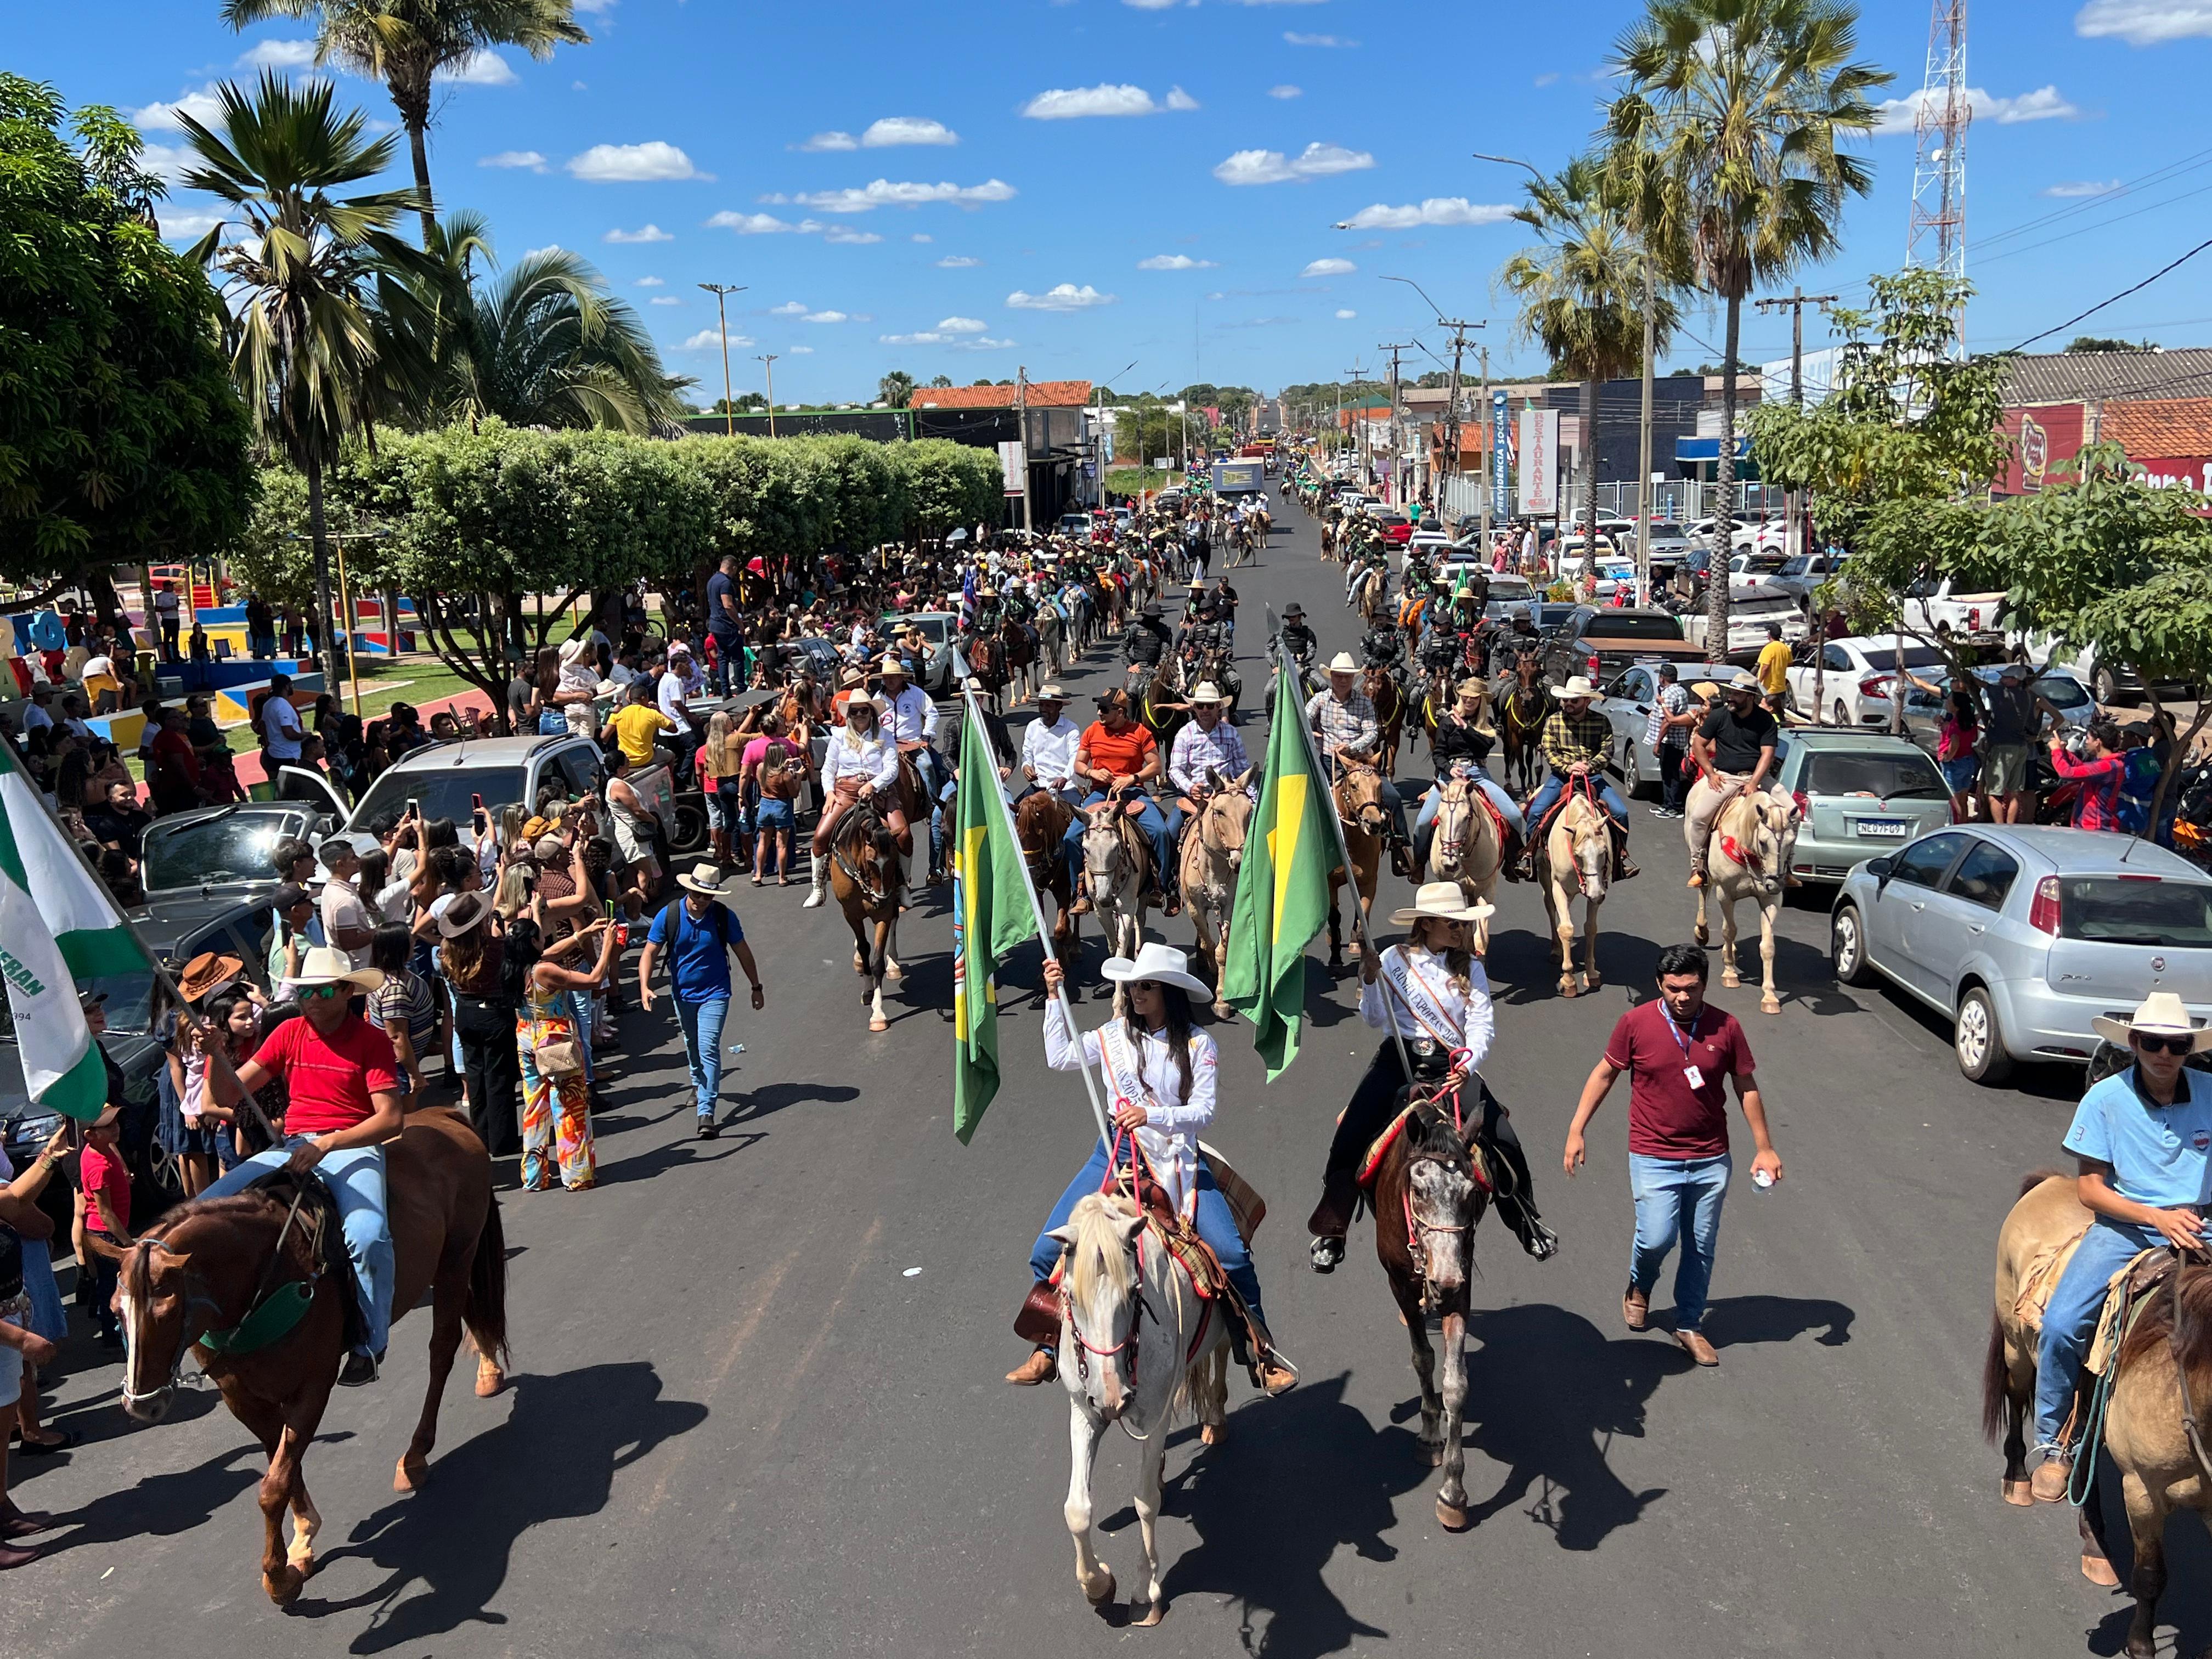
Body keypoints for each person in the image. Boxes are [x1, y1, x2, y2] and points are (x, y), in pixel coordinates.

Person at [1006, 946, 1296, 1396]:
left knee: (1232, 1254)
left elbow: (1204, 1112)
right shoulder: (1114, 1035)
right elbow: (1060, 1057)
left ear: (1169, 992)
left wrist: (1152, 1115)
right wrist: (1052, 997)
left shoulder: (1201, 1045)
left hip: (1177, 1159)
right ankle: (1047, 1348)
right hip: (1115, 1153)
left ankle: (1260, 1352)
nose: (1135, 993)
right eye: (1133, 985)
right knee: (1048, 1249)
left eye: (1146, 985)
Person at [1561, 942, 1785, 1367]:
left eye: (1692, 988)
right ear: (1659, 985)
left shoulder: (1727, 1027)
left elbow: (1746, 1087)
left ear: (1704, 984)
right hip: (1653, 1156)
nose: (1682, 997)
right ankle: (1639, 1285)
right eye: (1672, 989)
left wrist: (1765, 1148)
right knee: (1657, 1238)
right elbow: (1605, 1073)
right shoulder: (1635, 1023)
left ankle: (1688, 1323)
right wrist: (1577, 1129)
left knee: (1701, 1245)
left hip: (1710, 1157)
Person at [2027, 992, 2212, 1500]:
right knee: (2063, 1324)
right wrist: (2156, 1216)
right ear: (2133, 1043)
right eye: (2153, 1043)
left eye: (2175, 1045)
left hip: (2203, 1228)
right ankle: (2052, 1442)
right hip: (2127, 1228)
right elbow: (2089, 1190)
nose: (2164, 1054)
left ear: (2188, 1049)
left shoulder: (2211, 1091)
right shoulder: (2105, 1099)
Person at [1306, 882, 1553, 1263]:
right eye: (1452, 924)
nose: (1460, 931)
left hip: (1453, 1065)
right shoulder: (1391, 959)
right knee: (1350, 1134)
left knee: (1504, 1139)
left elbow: (1482, 1025)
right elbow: (1374, 1018)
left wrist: (1468, 1068)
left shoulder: (1472, 968)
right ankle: (1333, 1229)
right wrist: (1369, 979)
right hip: (1398, 1060)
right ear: (1426, 924)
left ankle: (1526, 1222)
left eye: (1461, 925)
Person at [202, 946, 404, 1386]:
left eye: (324, 991)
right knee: (203, 1209)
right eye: (306, 992)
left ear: (348, 991)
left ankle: (371, 1343)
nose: (313, 1000)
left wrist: (330, 1142)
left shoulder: (371, 1040)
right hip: (292, 1145)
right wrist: (217, 1056)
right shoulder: (289, 1031)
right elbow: (226, 1096)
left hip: (352, 1144)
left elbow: (390, 1120)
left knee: (368, 1237)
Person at [640, 864, 766, 1139]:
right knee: (691, 1041)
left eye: (708, 897)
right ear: (688, 890)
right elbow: (650, 952)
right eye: (697, 895)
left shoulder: (723, 917)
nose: (701, 902)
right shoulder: (670, 915)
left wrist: (756, 987)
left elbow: (744, 952)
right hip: (682, 993)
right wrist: (644, 986)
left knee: (708, 1046)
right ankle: (698, 1083)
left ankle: (706, 1111)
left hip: (716, 993)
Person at [511, 916, 619, 1192]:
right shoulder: (544, 971)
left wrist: (583, 933)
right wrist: (607, 944)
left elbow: (552, 953)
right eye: (540, 937)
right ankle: (576, 1174)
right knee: (568, 1105)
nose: (544, 941)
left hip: (526, 1037)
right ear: (533, 942)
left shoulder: (514, 965)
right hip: (553, 1041)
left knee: (534, 1107)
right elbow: (594, 979)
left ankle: (534, 1176)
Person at [1065, 688, 1178, 917]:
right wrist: (1092, 773)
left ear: (1120, 712)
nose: (1099, 713)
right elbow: (1078, 764)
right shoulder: (1092, 732)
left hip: (1133, 793)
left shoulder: (1140, 733)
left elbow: (1156, 766)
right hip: (1100, 794)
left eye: (1104, 709)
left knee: (1160, 832)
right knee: (1070, 837)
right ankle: (1081, 894)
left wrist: (1132, 778)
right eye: (1099, 708)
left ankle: (1162, 887)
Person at [1520, 675, 1638, 881]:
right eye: (1566, 700)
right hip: (1560, 777)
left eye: (1574, 701)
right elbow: (1549, 750)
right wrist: (1569, 767)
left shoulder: (1601, 722)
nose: (1568, 704)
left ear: (1587, 701)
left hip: (1592, 777)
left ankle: (1620, 858)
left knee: (1620, 812)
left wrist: (1589, 767)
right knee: (1536, 812)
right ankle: (1529, 857)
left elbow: (1607, 750)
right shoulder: (1553, 721)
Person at [1683, 670, 1787, 890]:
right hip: (1726, 777)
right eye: (1730, 692)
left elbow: (1767, 754)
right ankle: (1698, 867)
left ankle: (1787, 868)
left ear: (1750, 698)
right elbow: (1699, 745)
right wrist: (1711, 774)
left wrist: (1753, 782)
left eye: (1736, 694)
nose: (1730, 697)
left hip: (1757, 776)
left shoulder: (1765, 720)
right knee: (1699, 817)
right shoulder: (1719, 716)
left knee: (1792, 812)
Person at [437, 891, 521, 1160]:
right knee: (498, 1078)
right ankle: (502, 1140)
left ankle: (480, 1135)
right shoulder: (496, 948)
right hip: (495, 1014)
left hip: (467, 1013)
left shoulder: (448, 951)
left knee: (476, 1078)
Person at [805, 691, 909, 907]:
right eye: (855, 711)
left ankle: (902, 886)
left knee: (904, 835)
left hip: (880, 790)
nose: (859, 715)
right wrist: (829, 793)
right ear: (849, 715)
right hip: (845, 791)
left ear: (871, 712)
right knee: (820, 837)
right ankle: (818, 886)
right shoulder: (838, 736)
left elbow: (892, 768)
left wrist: (874, 785)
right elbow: (827, 770)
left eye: (864, 710)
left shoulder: (885, 736)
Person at [1308, 651, 1409, 869]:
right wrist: (1311, 731)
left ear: (1353, 679)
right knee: (1309, 804)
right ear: (1331, 677)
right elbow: (1302, 718)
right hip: (1329, 763)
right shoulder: (1320, 700)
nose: (1343, 680)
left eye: (1347, 676)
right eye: (1338, 676)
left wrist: (1351, 747)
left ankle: (1399, 846)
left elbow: (1372, 733)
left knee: (1393, 797)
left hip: (1360, 763)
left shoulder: (1363, 702)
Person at [1412, 678, 1523, 876]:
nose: (1468, 700)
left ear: (1480, 700)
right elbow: (1439, 754)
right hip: (1449, 777)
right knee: (1422, 822)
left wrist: (1465, 727)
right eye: (1465, 697)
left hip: (1478, 775)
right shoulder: (1446, 722)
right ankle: (1419, 864)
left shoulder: (1486, 724)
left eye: (1473, 697)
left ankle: (1512, 862)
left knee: (1513, 815)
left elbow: (1486, 744)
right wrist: (1448, 769)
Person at [368, 924, 442, 1102]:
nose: (414, 942)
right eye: (410, 940)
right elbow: (398, 1038)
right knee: (405, 1120)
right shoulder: (394, 990)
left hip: (402, 1063)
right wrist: (414, 1074)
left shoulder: (384, 977)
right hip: (399, 1068)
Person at [741, 713, 802, 887]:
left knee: (763, 842)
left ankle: (758, 874)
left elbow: (755, 779)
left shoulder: (761, 769)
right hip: (781, 806)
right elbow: (794, 793)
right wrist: (797, 777)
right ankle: (782, 877)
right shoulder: (785, 776)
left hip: (765, 806)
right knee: (781, 845)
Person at [1980, 663, 2044, 825]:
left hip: (2004, 748)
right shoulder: (2028, 696)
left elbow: (1982, 685)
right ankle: (2010, 826)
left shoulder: (2003, 693)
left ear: (2016, 680)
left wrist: (1967, 677)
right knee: (2015, 792)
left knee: (1994, 793)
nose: (2002, 680)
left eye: (2006, 677)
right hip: (2021, 747)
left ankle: (2000, 827)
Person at [2047, 719, 2127, 832]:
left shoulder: (2108, 767)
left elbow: (2066, 773)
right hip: (2093, 827)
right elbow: (2083, 769)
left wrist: (2056, 751)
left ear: (2097, 742)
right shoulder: (2109, 763)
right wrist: (2064, 751)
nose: (2086, 742)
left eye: (2089, 739)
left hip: (2095, 828)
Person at [317, 832, 381, 970]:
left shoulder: (331, 889)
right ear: (340, 864)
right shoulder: (344, 900)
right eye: (353, 858)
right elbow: (349, 942)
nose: (358, 860)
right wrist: (379, 931)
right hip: (357, 968)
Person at [1647, 662, 1696, 821]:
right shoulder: (1680, 690)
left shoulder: (1667, 695)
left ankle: (1674, 806)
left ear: (1662, 678)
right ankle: (1667, 804)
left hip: (1670, 741)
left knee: (1670, 774)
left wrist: (1657, 743)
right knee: (1669, 773)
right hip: (1677, 740)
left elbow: (1667, 721)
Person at [699, 710, 745, 871]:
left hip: (720, 785)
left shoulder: (710, 745)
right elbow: (755, 736)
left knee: (729, 822)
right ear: (726, 724)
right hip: (735, 781)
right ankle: (745, 856)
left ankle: (726, 856)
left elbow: (705, 769)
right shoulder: (733, 740)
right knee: (744, 820)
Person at [603, 678, 677, 772]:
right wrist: (658, 710)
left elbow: (604, 736)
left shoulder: (618, 713)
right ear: (644, 698)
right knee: (671, 756)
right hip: (646, 758)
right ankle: (670, 782)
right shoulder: (651, 713)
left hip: (626, 760)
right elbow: (674, 728)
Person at [1934, 685, 1980, 823]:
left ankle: (1957, 825)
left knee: (1954, 799)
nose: (1946, 704)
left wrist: (1948, 757)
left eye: (1949, 702)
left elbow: (1955, 742)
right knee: (1964, 798)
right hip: (1968, 760)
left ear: (1957, 707)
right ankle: (1964, 823)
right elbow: (1974, 739)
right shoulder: (1969, 721)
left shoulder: (1955, 724)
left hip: (1955, 763)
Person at [706, 554, 745, 695]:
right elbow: (728, 605)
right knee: (738, 658)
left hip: (715, 625)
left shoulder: (712, 581)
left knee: (723, 658)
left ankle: (725, 691)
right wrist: (740, 624)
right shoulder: (725, 583)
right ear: (733, 568)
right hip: (727, 625)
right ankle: (741, 689)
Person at [261, 673, 306, 770]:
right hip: (288, 755)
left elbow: (262, 725)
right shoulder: (282, 706)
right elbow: (289, 734)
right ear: (286, 687)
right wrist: (306, 735)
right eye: (291, 685)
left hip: (274, 753)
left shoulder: (268, 704)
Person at [1755, 623, 1793, 709]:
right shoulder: (1785, 648)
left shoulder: (1768, 648)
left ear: (1769, 634)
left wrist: (1759, 683)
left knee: (1766, 713)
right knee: (1779, 712)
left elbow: (1765, 667)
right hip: (1781, 688)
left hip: (1769, 690)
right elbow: (1790, 663)